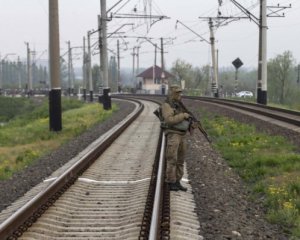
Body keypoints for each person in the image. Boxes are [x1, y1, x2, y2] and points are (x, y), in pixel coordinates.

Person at [161, 85, 191, 191]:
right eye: (177, 93)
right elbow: (169, 120)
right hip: (173, 134)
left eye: (180, 92)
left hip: (182, 134)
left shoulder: (179, 104)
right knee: (172, 159)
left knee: (180, 160)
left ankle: (177, 181)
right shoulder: (167, 105)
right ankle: (171, 182)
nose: (180, 94)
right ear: (172, 93)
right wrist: (183, 116)